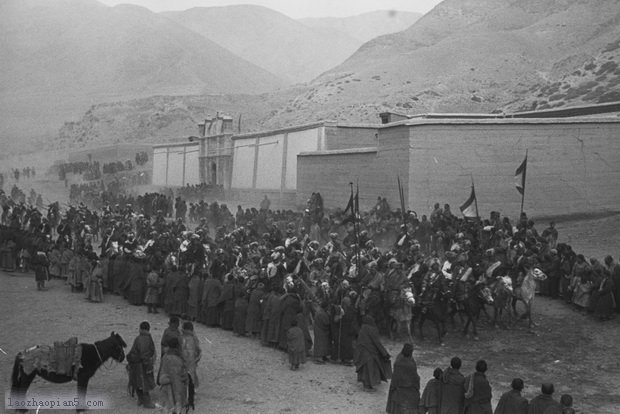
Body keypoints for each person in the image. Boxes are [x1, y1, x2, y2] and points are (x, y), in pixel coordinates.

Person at [354, 315, 391, 392]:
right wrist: (384, 353)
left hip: (361, 351)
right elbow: (377, 342)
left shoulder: (363, 328)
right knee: (370, 369)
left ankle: (365, 384)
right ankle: (368, 387)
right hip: (370, 352)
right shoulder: (372, 329)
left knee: (364, 369)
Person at [126, 321, 156, 408]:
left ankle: (143, 400)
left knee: (138, 382)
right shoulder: (147, 338)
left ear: (141, 329)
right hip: (142, 364)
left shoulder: (139, 338)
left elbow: (140, 352)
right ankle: (145, 401)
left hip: (138, 364)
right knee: (143, 383)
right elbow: (148, 352)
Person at [386, 343, 420, 414]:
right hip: (409, 390)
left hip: (398, 388)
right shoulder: (411, 364)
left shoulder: (398, 360)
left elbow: (395, 378)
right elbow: (415, 379)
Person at [157, 337, 188, 414]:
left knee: (168, 408)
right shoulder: (180, 358)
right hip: (179, 387)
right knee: (178, 408)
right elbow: (184, 374)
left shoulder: (165, 357)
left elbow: (162, 372)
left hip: (167, 386)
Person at [181, 321, 201, 410]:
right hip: (191, 362)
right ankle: (191, 396)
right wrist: (196, 359)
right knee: (191, 378)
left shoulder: (181, 338)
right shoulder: (194, 338)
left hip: (185, 362)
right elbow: (199, 351)